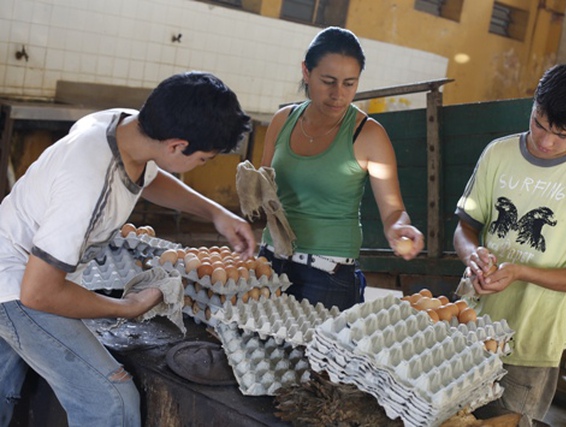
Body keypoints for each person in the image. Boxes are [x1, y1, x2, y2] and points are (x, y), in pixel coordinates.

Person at [0, 71, 254, 426]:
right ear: (177, 145)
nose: (201, 166)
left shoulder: (123, 127)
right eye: (202, 159)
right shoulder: (87, 183)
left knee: (4, 385)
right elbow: (38, 293)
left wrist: (215, 212)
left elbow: (149, 176)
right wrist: (126, 307)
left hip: (21, 261)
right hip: (15, 283)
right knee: (111, 401)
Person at [453, 63, 566, 423]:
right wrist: (472, 255)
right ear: (534, 104)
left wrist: (519, 272)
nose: (545, 141)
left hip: (532, 337)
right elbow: (465, 229)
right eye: (539, 124)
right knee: (450, 415)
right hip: (469, 321)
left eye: (563, 134)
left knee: (506, 420)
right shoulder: (498, 154)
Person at [258, 27, 424, 311]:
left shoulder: (368, 135)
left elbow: (393, 210)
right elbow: (262, 187)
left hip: (327, 276)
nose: (338, 94)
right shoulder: (282, 121)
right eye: (328, 81)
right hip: (269, 263)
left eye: (349, 83)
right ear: (306, 72)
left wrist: (399, 226)